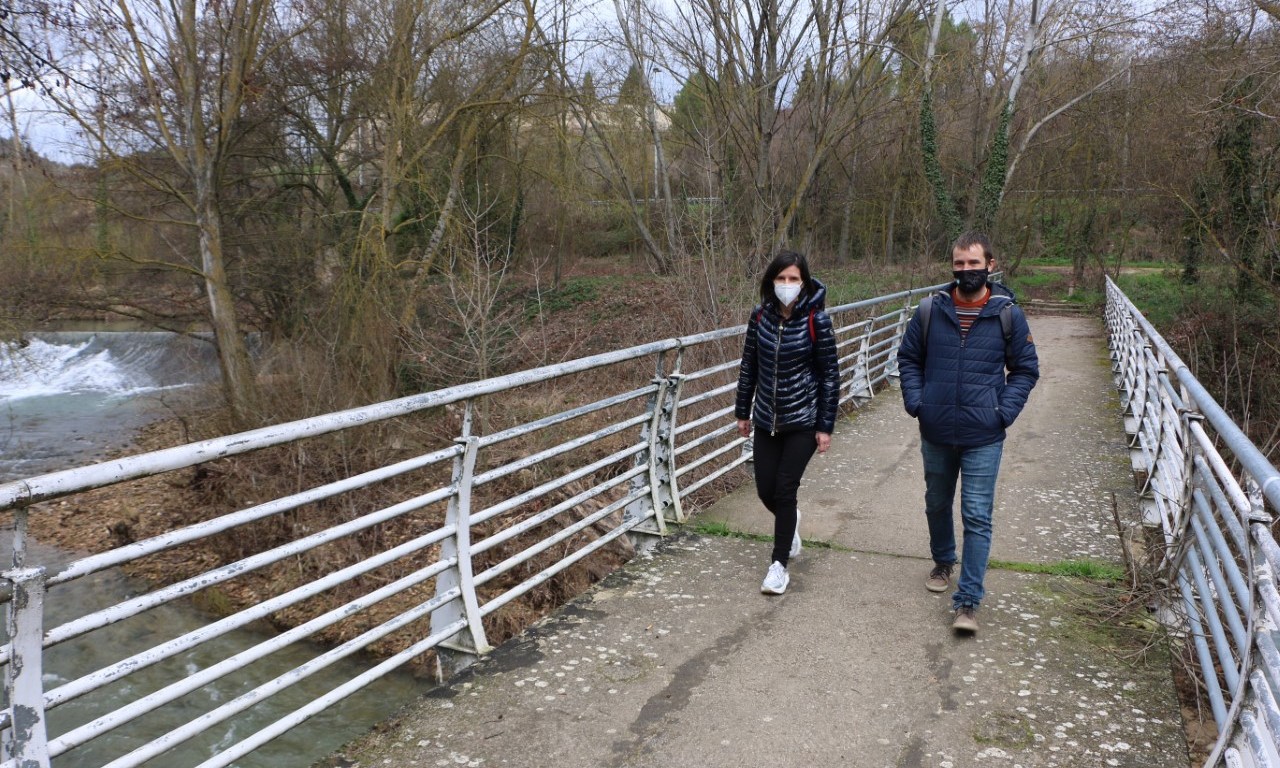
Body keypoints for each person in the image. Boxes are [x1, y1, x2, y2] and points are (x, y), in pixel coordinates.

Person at [897, 231, 1039, 634]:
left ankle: (968, 601)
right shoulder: (930, 310)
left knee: (977, 515)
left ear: (990, 265)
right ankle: (943, 561)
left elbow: (1025, 370)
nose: (966, 270)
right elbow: (908, 359)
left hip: (984, 435)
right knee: (936, 503)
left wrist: (1002, 412)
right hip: (937, 428)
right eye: (959, 263)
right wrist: (918, 403)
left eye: (974, 263)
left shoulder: (1008, 314)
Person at [735, 251, 840, 595]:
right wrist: (742, 411)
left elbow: (830, 375)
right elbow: (749, 366)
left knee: (784, 488)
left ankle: (778, 566)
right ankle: (789, 520)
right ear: (771, 281)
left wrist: (825, 426)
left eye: (793, 279)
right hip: (767, 418)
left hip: (803, 420)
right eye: (781, 278)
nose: (787, 284)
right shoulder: (759, 317)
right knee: (765, 489)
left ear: (804, 282)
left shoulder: (817, 320)